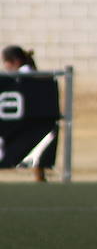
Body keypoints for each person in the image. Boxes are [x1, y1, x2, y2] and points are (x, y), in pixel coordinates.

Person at [1, 46, 55, 182]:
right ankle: (39, 174)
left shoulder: (17, 78)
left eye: (5, 62)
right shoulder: (37, 76)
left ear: (15, 62)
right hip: (36, 121)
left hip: (18, 120)